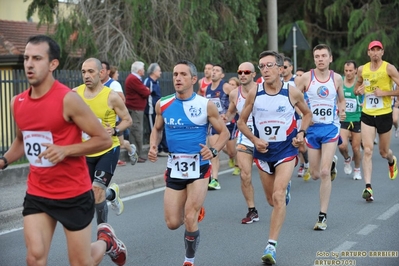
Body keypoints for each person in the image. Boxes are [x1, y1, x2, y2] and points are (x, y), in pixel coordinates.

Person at [0, 35, 127, 266]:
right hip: (38, 192)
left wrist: (65, 150)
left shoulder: (69, 99)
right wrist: (4, 160)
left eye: (37, 58)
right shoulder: (17, 102)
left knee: (81, 262)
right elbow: (21, 140)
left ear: (53, 64)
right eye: (26, 58)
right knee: (34, 257)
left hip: (73, 193)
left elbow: (103, 140)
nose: (29, 64)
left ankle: (107, 241)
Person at [148, 60, 229, 266]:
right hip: (175, 167)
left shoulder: (205, 105)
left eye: (183, 74)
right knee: (173, 223)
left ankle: (189, 259)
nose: (177, 78)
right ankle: (194, 209)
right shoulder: (163, 104)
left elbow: (224, 133)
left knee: (190, 218)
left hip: (199, 166)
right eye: (175, 74)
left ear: (193, 79)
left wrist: (213, 150)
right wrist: (153, 146)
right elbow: (157, 129)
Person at [237, 51, 312, 264]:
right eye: (262, 66)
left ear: (280, 69)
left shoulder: (292, 92)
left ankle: (271, 246)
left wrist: (301, 133)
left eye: (269, 65)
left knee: (278, 197)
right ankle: (283, 190)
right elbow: (241, 122)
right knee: (271, 200)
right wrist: (253, 139)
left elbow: (307, 114)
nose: (265, 70)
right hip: (263, 152)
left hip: (286, 150)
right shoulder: (255, 93)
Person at [75, 58, 133, 222]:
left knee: (97, 191)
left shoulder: (111, 96)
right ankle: (112, 194)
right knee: (87, 194)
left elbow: (128, 120)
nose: (86, 75)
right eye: (83, 72)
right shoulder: (75, 94)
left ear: (101, 73)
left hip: (108, 149)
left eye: (91, 71)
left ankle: (105, 234)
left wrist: (115, 129)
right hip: (85, 151)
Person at [295, 44, 346, 231]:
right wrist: (301, 116)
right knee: (315, 174)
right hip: (313, 130)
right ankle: (330, 163)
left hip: (331, 128)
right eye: (317, 56)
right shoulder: (306, 78)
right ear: (314, 59)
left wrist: (342, 110)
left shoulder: (337, 78)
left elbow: (341, 100)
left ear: (330, 58)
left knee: (324, 173)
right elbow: (293, 98)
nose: (320, 59)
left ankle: (322, 216)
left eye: (324, 56)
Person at [354, 40, 399, 202]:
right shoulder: (362, 69)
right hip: (367, 113)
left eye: (378, 50)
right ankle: (368, 187)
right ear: (368, 53)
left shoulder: (389, 68)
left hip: (385, 114)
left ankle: (391, 160)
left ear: (382, 52)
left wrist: (385, 93)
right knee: (367, 150)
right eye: (372, 50)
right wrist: (358, 91)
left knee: (383, 152)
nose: (375, 52)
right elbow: (356, 88)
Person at [224, 62, 259, 224]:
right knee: (245, 175)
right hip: (245, 138)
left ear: (253, 74)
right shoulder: (234, 94)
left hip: (265, 138)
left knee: (272, 181)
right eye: (240, 72)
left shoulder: (263, 90)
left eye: (246, 72)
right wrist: (223, 119)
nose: (243, 74)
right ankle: (252, 210)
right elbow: (231, 112)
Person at [205, 64, 235, 190]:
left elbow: (236, 100)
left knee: (232, 151)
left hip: (227, 124)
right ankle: (214, 179)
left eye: (217, 71)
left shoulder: (226, 87)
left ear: (222, 75)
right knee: (214, 151)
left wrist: (228, 114)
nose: (213, 72)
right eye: (213, 70)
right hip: (215, 124)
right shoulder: (207, 89)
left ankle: (235, 158)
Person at [103, 63, 138, 166]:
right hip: (101, 120)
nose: (100, 72)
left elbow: (122, 100)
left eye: (102, 70)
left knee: (120, 143)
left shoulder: (114, 84)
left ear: (108, 72)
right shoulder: (96, 85)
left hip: (115, 120)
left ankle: (131, 150)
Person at [283, 57, 310, 179]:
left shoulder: (297, 80)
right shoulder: (278, 81)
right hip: (284, 119)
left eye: (285, 67)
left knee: (300, 144)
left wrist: (303, 114)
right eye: (280, 67)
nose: (282, 70)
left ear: (291, 68)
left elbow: (302, 99)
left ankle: (305, 163)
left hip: (297, 116)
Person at [338, 60, 362, 180]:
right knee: (342, 146)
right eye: (346, 71)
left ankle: (357, 169)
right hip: (344, 119)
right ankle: (347, 158)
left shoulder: (359, 82)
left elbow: (366, 97)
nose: (348, 73)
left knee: (356, 148)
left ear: (355, 70)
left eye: (350, 71)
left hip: (357, 118)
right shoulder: (340, 82)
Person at [125, 61, 151, 163]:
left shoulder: (133, 78)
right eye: (143, 69)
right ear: (139, 70)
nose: (144, 71)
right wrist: (146, 89)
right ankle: (138, 153)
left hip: (136, 108)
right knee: (137, 130)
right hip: (136, 108)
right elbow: (145, 92)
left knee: (134, 130)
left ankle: (135, 152)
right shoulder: (133, 79)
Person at [144, 63, 169, 156]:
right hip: (151, 109)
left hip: (158, 109)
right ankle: (155, 149)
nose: (160, 72)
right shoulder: (148, 81)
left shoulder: (156, 82)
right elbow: (145, 93)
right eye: (159, 70)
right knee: (153, 128)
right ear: (153, 72)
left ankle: (162, 147)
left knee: (161, 127)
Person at [227, 76, 241, 176]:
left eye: (233, 85)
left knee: (233, 149)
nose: (230, 86)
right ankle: (231, 156)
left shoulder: (237, 95)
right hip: (224, 122)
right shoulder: (224, 94)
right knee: (220, 145)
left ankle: (236, 165)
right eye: (229, 84)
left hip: (234, 123)